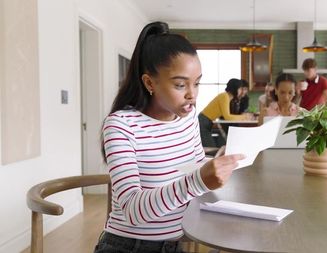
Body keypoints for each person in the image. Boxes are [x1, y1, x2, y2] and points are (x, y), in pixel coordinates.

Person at [95, 21, 244, 253]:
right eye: (180, 84)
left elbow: (193, 168)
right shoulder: (121, 125)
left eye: (197, 83)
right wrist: (200, 180)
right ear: (149, 82)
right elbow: (133, 212)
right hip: (128, 247)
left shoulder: (188, 118)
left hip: (177, 241)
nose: (192, 95)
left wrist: (217, 165)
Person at [198, 78, 252, 147]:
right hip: (203, 121)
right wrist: (245, 117)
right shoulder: (225, 96)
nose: (242, 91)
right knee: (211, 148)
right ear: (235, 88)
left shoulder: (227, 97)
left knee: (214, 147)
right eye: (240, 89)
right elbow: (228, 117)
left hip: (206, 121)